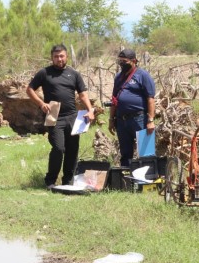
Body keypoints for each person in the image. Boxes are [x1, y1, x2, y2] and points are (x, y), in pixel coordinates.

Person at [27, 44, 95, 188]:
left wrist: (90, 110)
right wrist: (41, 103)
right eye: (56, 56)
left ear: (66, 56)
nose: (59, 59)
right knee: (58, 148)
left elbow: (83, 94)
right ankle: (50, 181)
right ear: (52, 58)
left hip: (72, 117)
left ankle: (68, 181)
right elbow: (30, 89)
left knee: (72, 150)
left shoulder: (74, 74)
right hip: (54, 116)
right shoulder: (44, 73)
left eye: (62, 56)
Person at [108, 48, 156, 167]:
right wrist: (111, 119)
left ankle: (147, 176)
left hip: (139, 118)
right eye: (120, 61)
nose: (121, 64)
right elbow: (114, 99)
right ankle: (125, 176)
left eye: (124, 61)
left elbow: (150, 99)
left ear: (133, 61)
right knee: (125, 153)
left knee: (145, 152)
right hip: (121, 120)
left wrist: (150, 120)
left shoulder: (143, 75)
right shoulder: (118, 77)